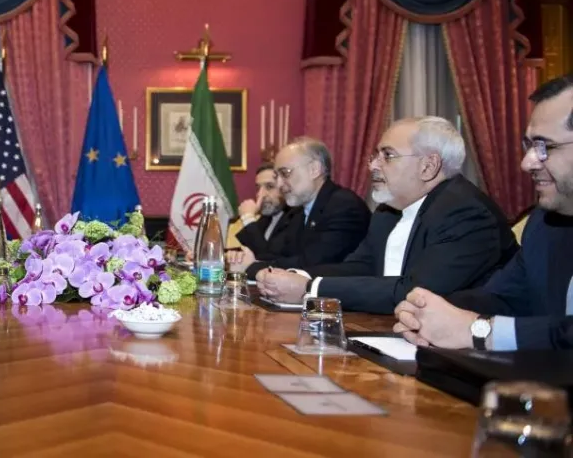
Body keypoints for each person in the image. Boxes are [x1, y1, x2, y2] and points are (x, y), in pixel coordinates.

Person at [248, 117, 516, 314]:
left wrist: (310, 289)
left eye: (387, 155)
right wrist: (296, 276)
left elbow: (415, 293)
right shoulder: (388, 211)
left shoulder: (465, 212)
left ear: (428, 166)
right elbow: (360, 267)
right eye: (375, 155)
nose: (373, 165)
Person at [395, 76, 573, 351]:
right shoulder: (543, 224)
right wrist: (427, 311)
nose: (527, 163)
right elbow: (504, 298)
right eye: (529, 146)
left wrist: (480, 331)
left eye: (544, 146)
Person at [238, 137, 370, 276]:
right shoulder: (298, 212)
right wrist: (241, 259)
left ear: (314, 169)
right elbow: (277, 255)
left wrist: (251, 267)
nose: (279, 184)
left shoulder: (343, 206)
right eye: (277, 177)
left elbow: (310, 264)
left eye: (285, 173)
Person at [234, 163, 294, 259]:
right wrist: (235, 255)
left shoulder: (296, 217)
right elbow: (251, 249)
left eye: (269, 186)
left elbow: (267, 258)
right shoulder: (265, 218)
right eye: (258, 188)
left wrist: (248, 218)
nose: (260, 194)